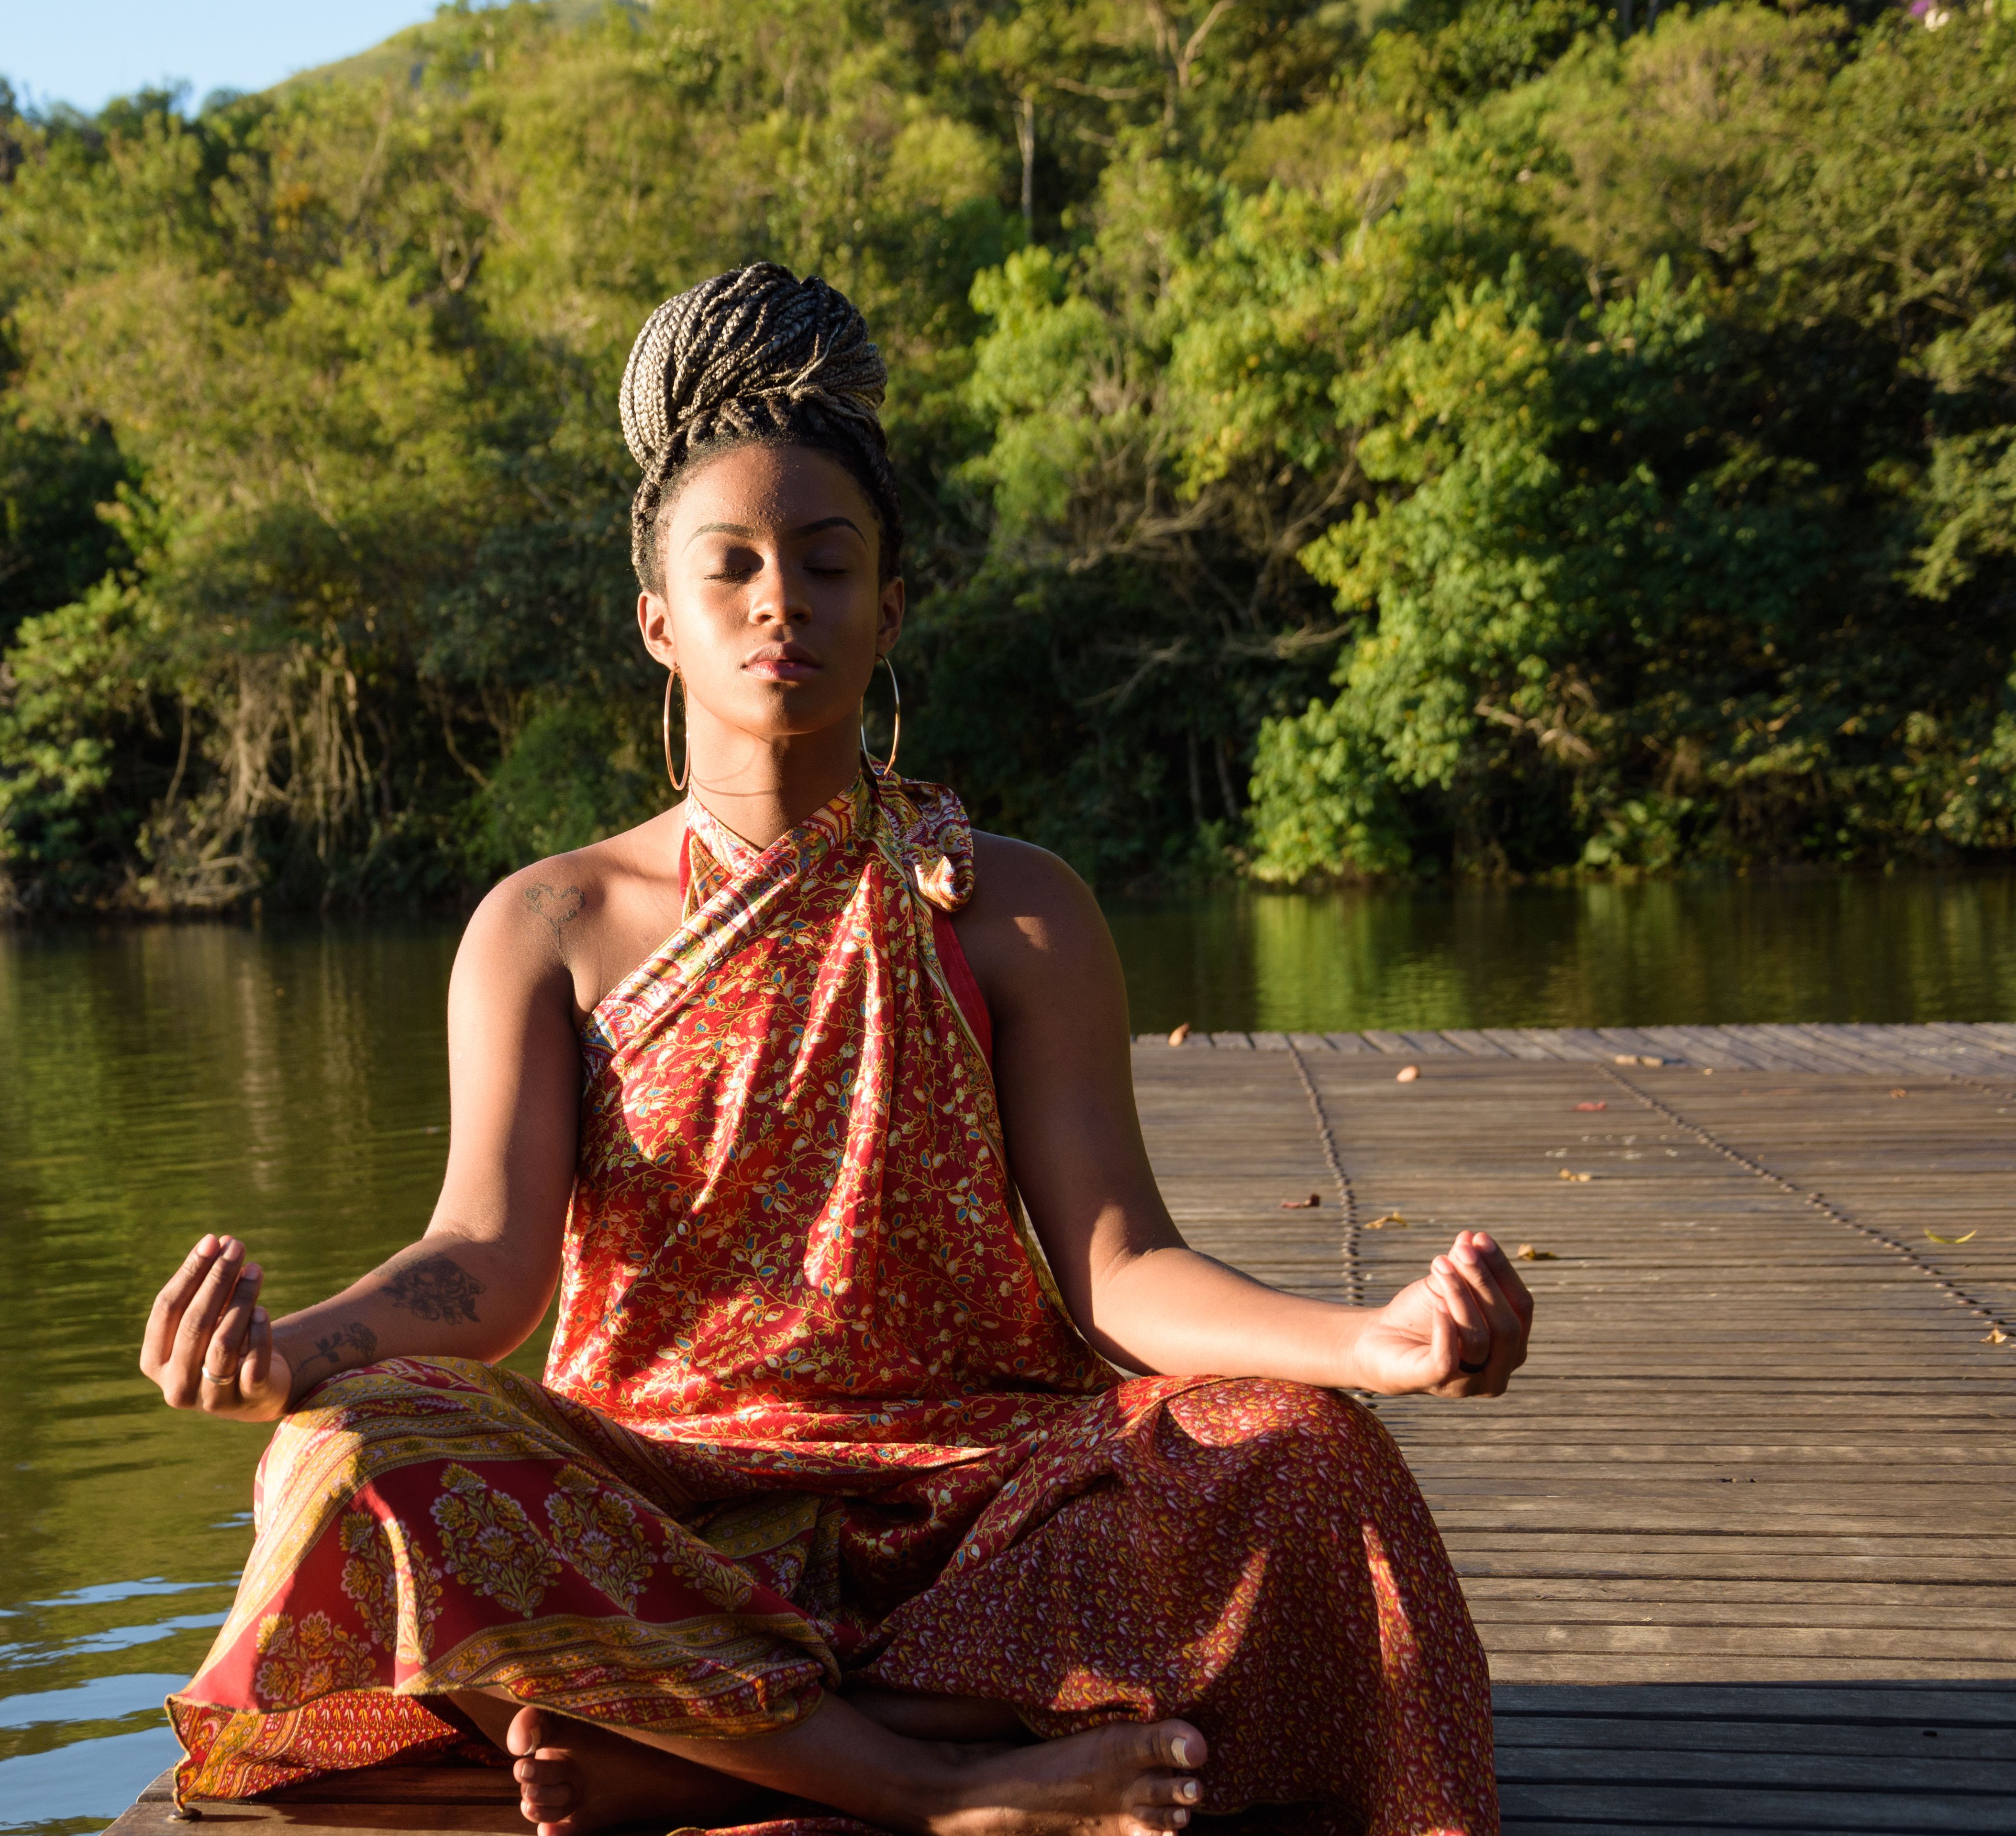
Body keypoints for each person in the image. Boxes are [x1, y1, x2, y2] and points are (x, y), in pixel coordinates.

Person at [140, 264, 1532, 1836]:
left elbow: (1121, 1271)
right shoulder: (547, 921)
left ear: (889, 608)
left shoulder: (1012, 908)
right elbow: (483, 1262)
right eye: (729, 567)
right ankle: (936, 1783)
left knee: (1302, 1457)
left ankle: (696, 1753)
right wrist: (292, 1352)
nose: (779, 602)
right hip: (654, 1504)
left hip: (978, 1497)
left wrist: (1369, 1343)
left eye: (825, 563)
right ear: (657, 621)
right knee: (348, 1454)